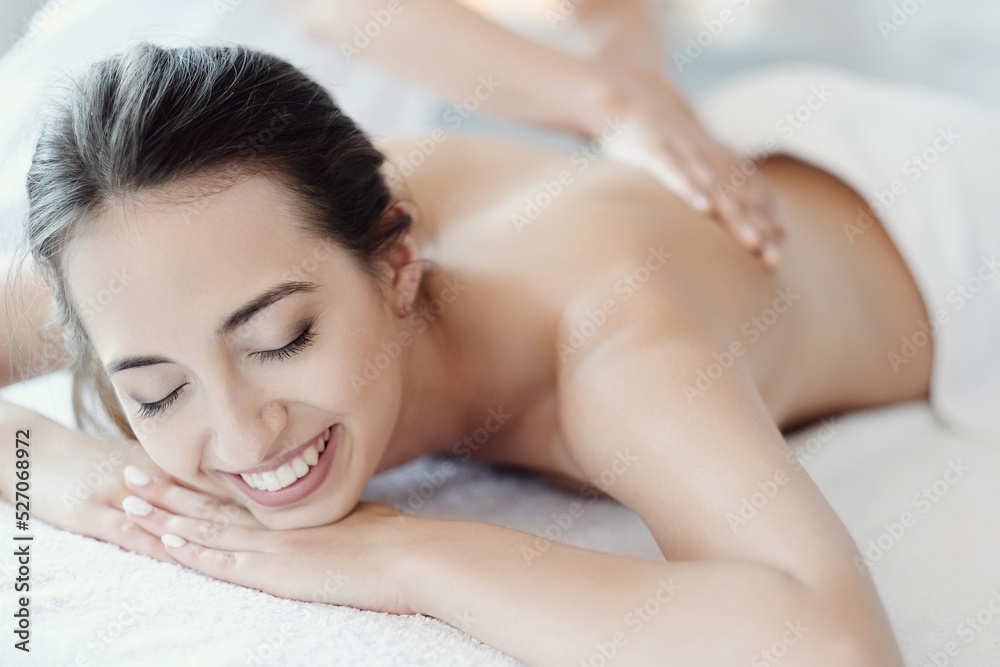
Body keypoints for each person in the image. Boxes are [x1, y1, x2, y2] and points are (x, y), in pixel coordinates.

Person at [3, 38, 1000, 666]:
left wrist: (403, 551)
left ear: (396, 264)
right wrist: (71, 472)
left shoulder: (614, 344)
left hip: (953, 227)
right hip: (749, 149)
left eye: (281, 341)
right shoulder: (195, 252)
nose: (235, 432)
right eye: (158, 389)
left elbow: (831, 644)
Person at [270, 0, 787, 265]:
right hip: (318, 169)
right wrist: (611, 103)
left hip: (474, 112)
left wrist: (642, 91)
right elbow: (334, 8)